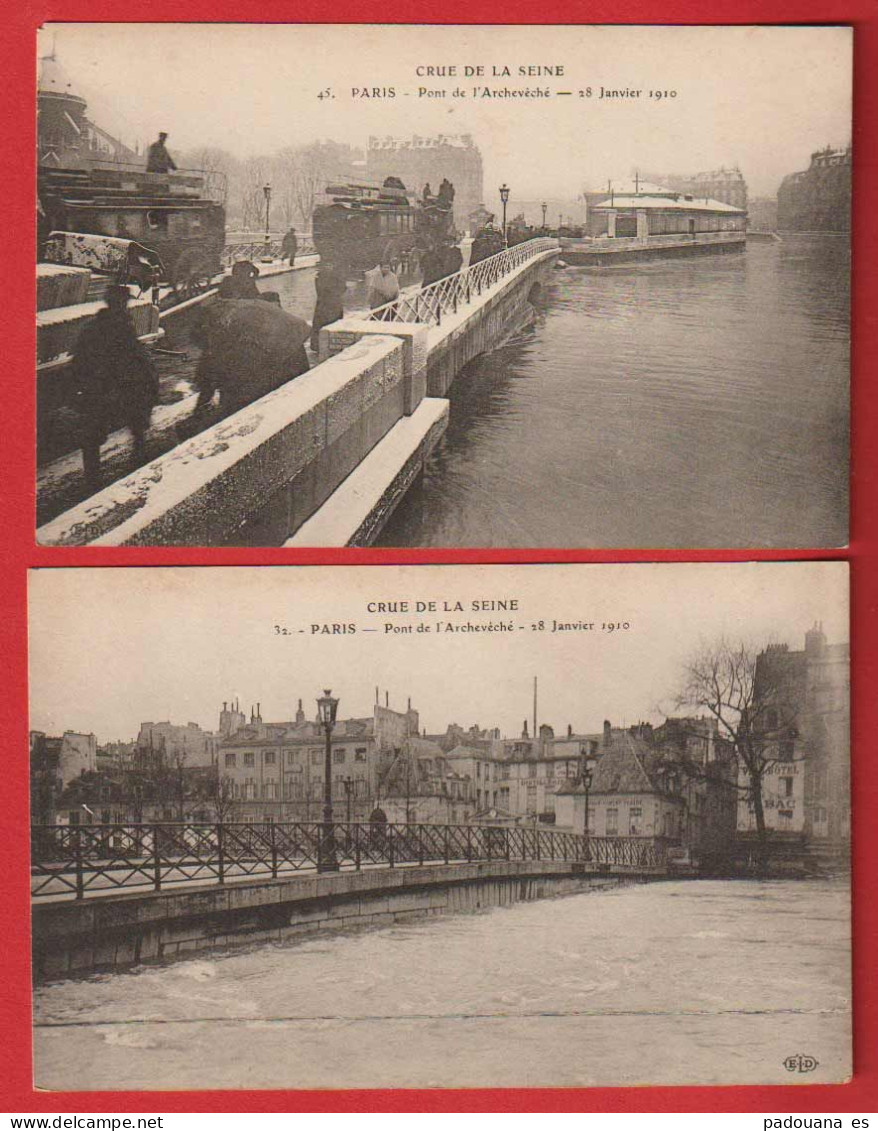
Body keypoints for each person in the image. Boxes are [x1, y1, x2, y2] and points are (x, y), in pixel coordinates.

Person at [70, 284, 159, 487]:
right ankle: (137, 455)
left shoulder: (93, 326)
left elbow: (78, 361)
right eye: (123, 302)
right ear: (118, 303)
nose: (124, 306)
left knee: (94, 433)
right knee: (132, 420)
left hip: (103, 387)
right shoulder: (120, 326)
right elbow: (133, 356)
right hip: (113, 386)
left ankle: (93, 477)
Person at [310, 259, 348, 352]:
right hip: (325, 304)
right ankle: (318, 345)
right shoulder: (319, 277)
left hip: (332, 304)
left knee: (334, 323)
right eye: (326, 265)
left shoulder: (335, 277)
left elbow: (343, 288)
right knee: (321, 324)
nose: (328, 267)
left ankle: (333, 344)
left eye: (330, 265)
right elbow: (320, 290)